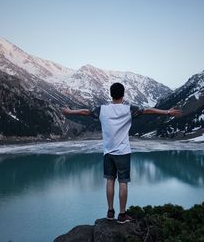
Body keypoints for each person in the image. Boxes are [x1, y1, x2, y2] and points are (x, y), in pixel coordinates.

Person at [62, 82, 182, 223]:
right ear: (123, 94)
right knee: (123, 183)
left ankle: (110, 212)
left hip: (108, 152)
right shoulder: (129, 109)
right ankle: (122, 214)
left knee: (110, 180)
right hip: (123, 152)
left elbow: (86, 112)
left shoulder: (102, 110)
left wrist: (69, 112)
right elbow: (148, 111)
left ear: (110, 94)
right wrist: (168, 112)